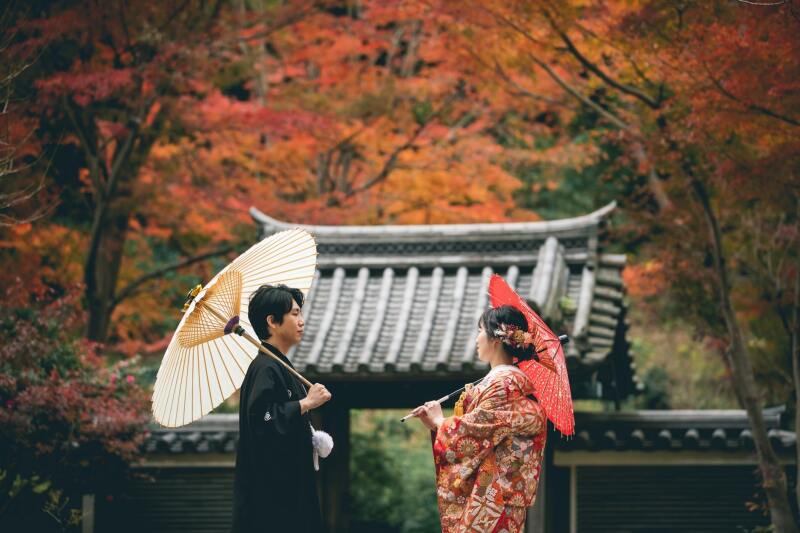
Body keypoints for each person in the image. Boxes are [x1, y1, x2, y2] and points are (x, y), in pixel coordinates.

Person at [412, 305, 547, 533]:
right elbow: (482, 426)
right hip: (497, 495)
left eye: (480, 331)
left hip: (491, 496)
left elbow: (478, 428)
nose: (477, 338)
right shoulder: (505, 383)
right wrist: (436, 425)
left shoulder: (504, 384)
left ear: (496, 337)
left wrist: (440, 422)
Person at [232, 284, 332, 533]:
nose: (302, 321)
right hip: (273, 497)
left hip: (291, 488)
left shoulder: (279, 367)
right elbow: (261, 419)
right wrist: (306, 403)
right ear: (272, 321)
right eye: (295, 314)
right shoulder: (265, 368)